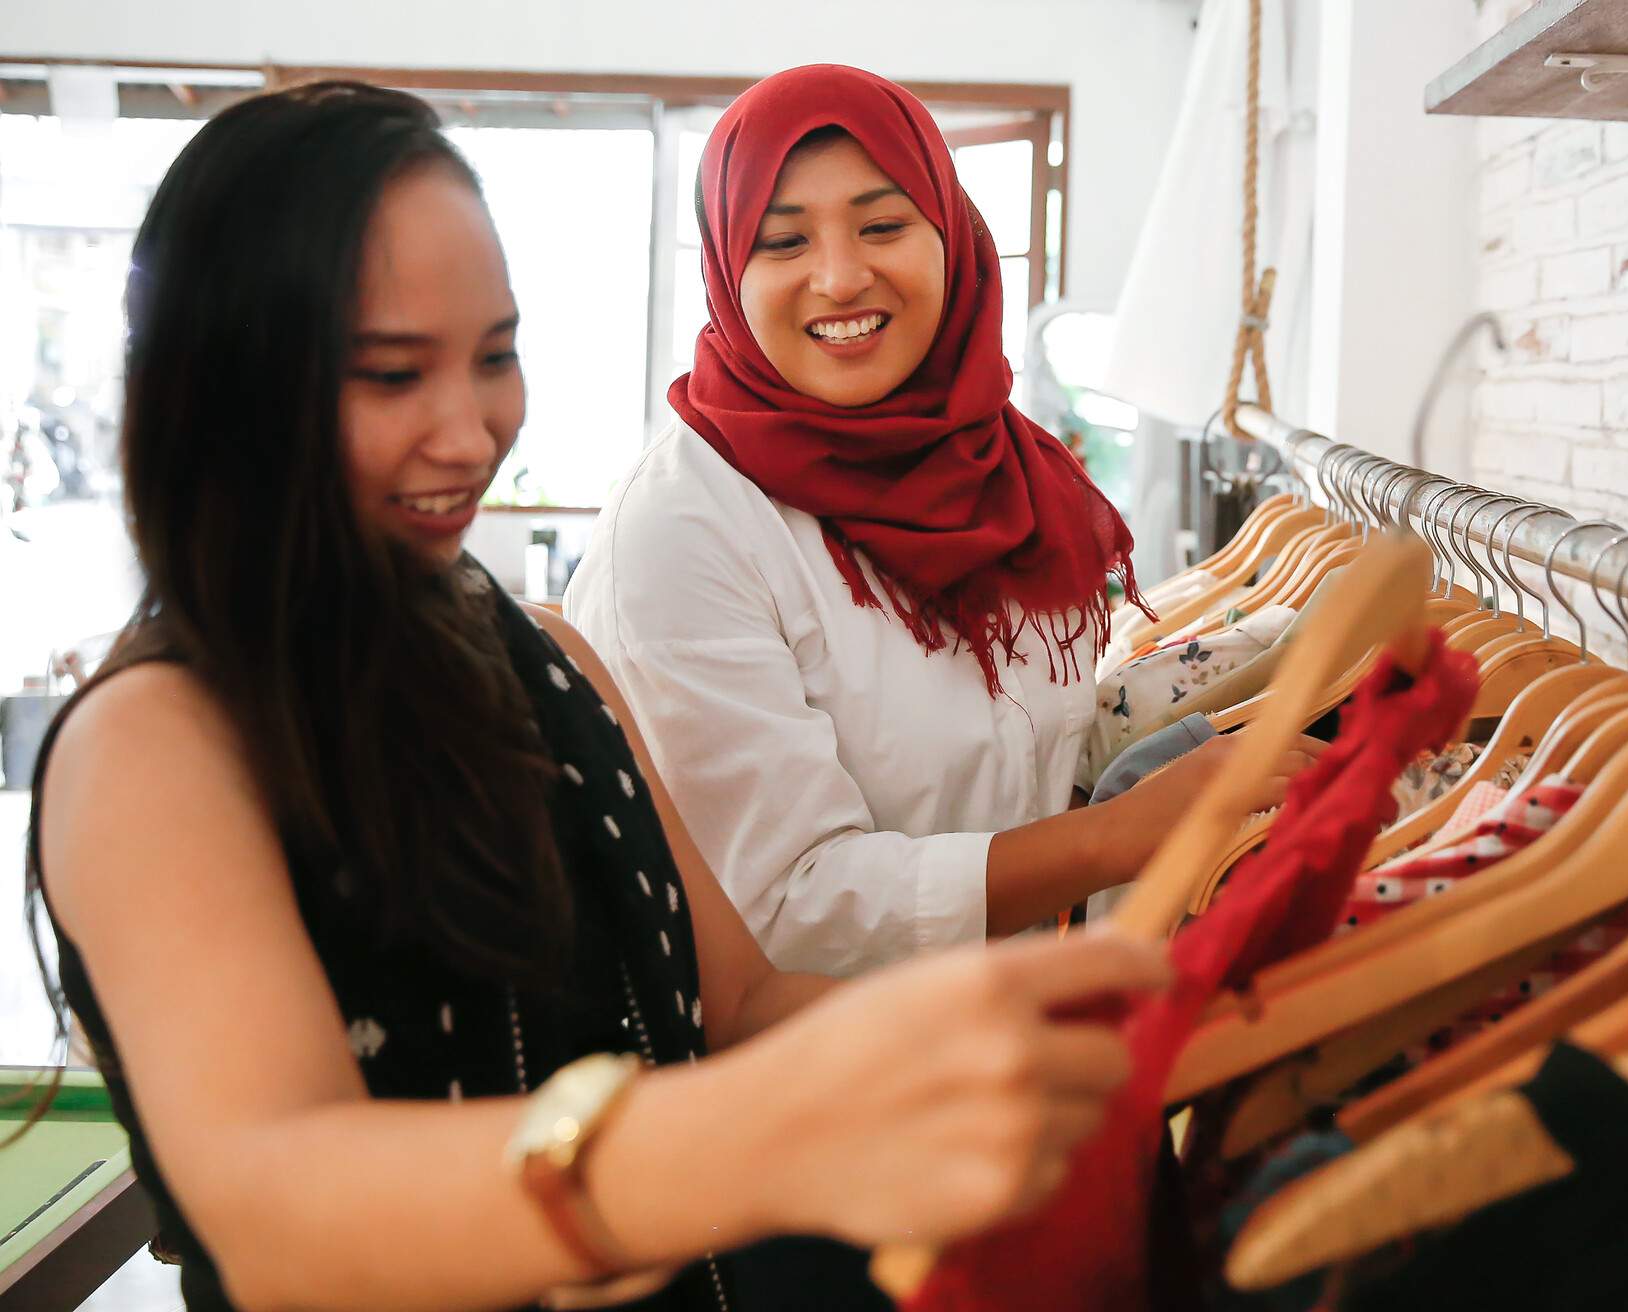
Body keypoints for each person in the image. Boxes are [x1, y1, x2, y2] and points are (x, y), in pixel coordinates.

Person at [25, 82, 1171, 1312]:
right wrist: (777, 1129)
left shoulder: (543, 659)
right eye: (394, 374)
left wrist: (991, 1044)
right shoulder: (159, 743)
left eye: (495, 358)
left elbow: (733, 997)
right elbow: (284, 1208)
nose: (470, 432)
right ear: (224, 390)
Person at [567, 66, 1245, 977]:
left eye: (883, 226)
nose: (841, 277)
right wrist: (1113, 840)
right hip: (837, 1089)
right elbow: (778, 909)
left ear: (952, 236)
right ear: (728, 269)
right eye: (782, 241)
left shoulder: (1009, 468)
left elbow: (1027, 754)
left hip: (1037, 1032)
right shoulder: (682, 529)